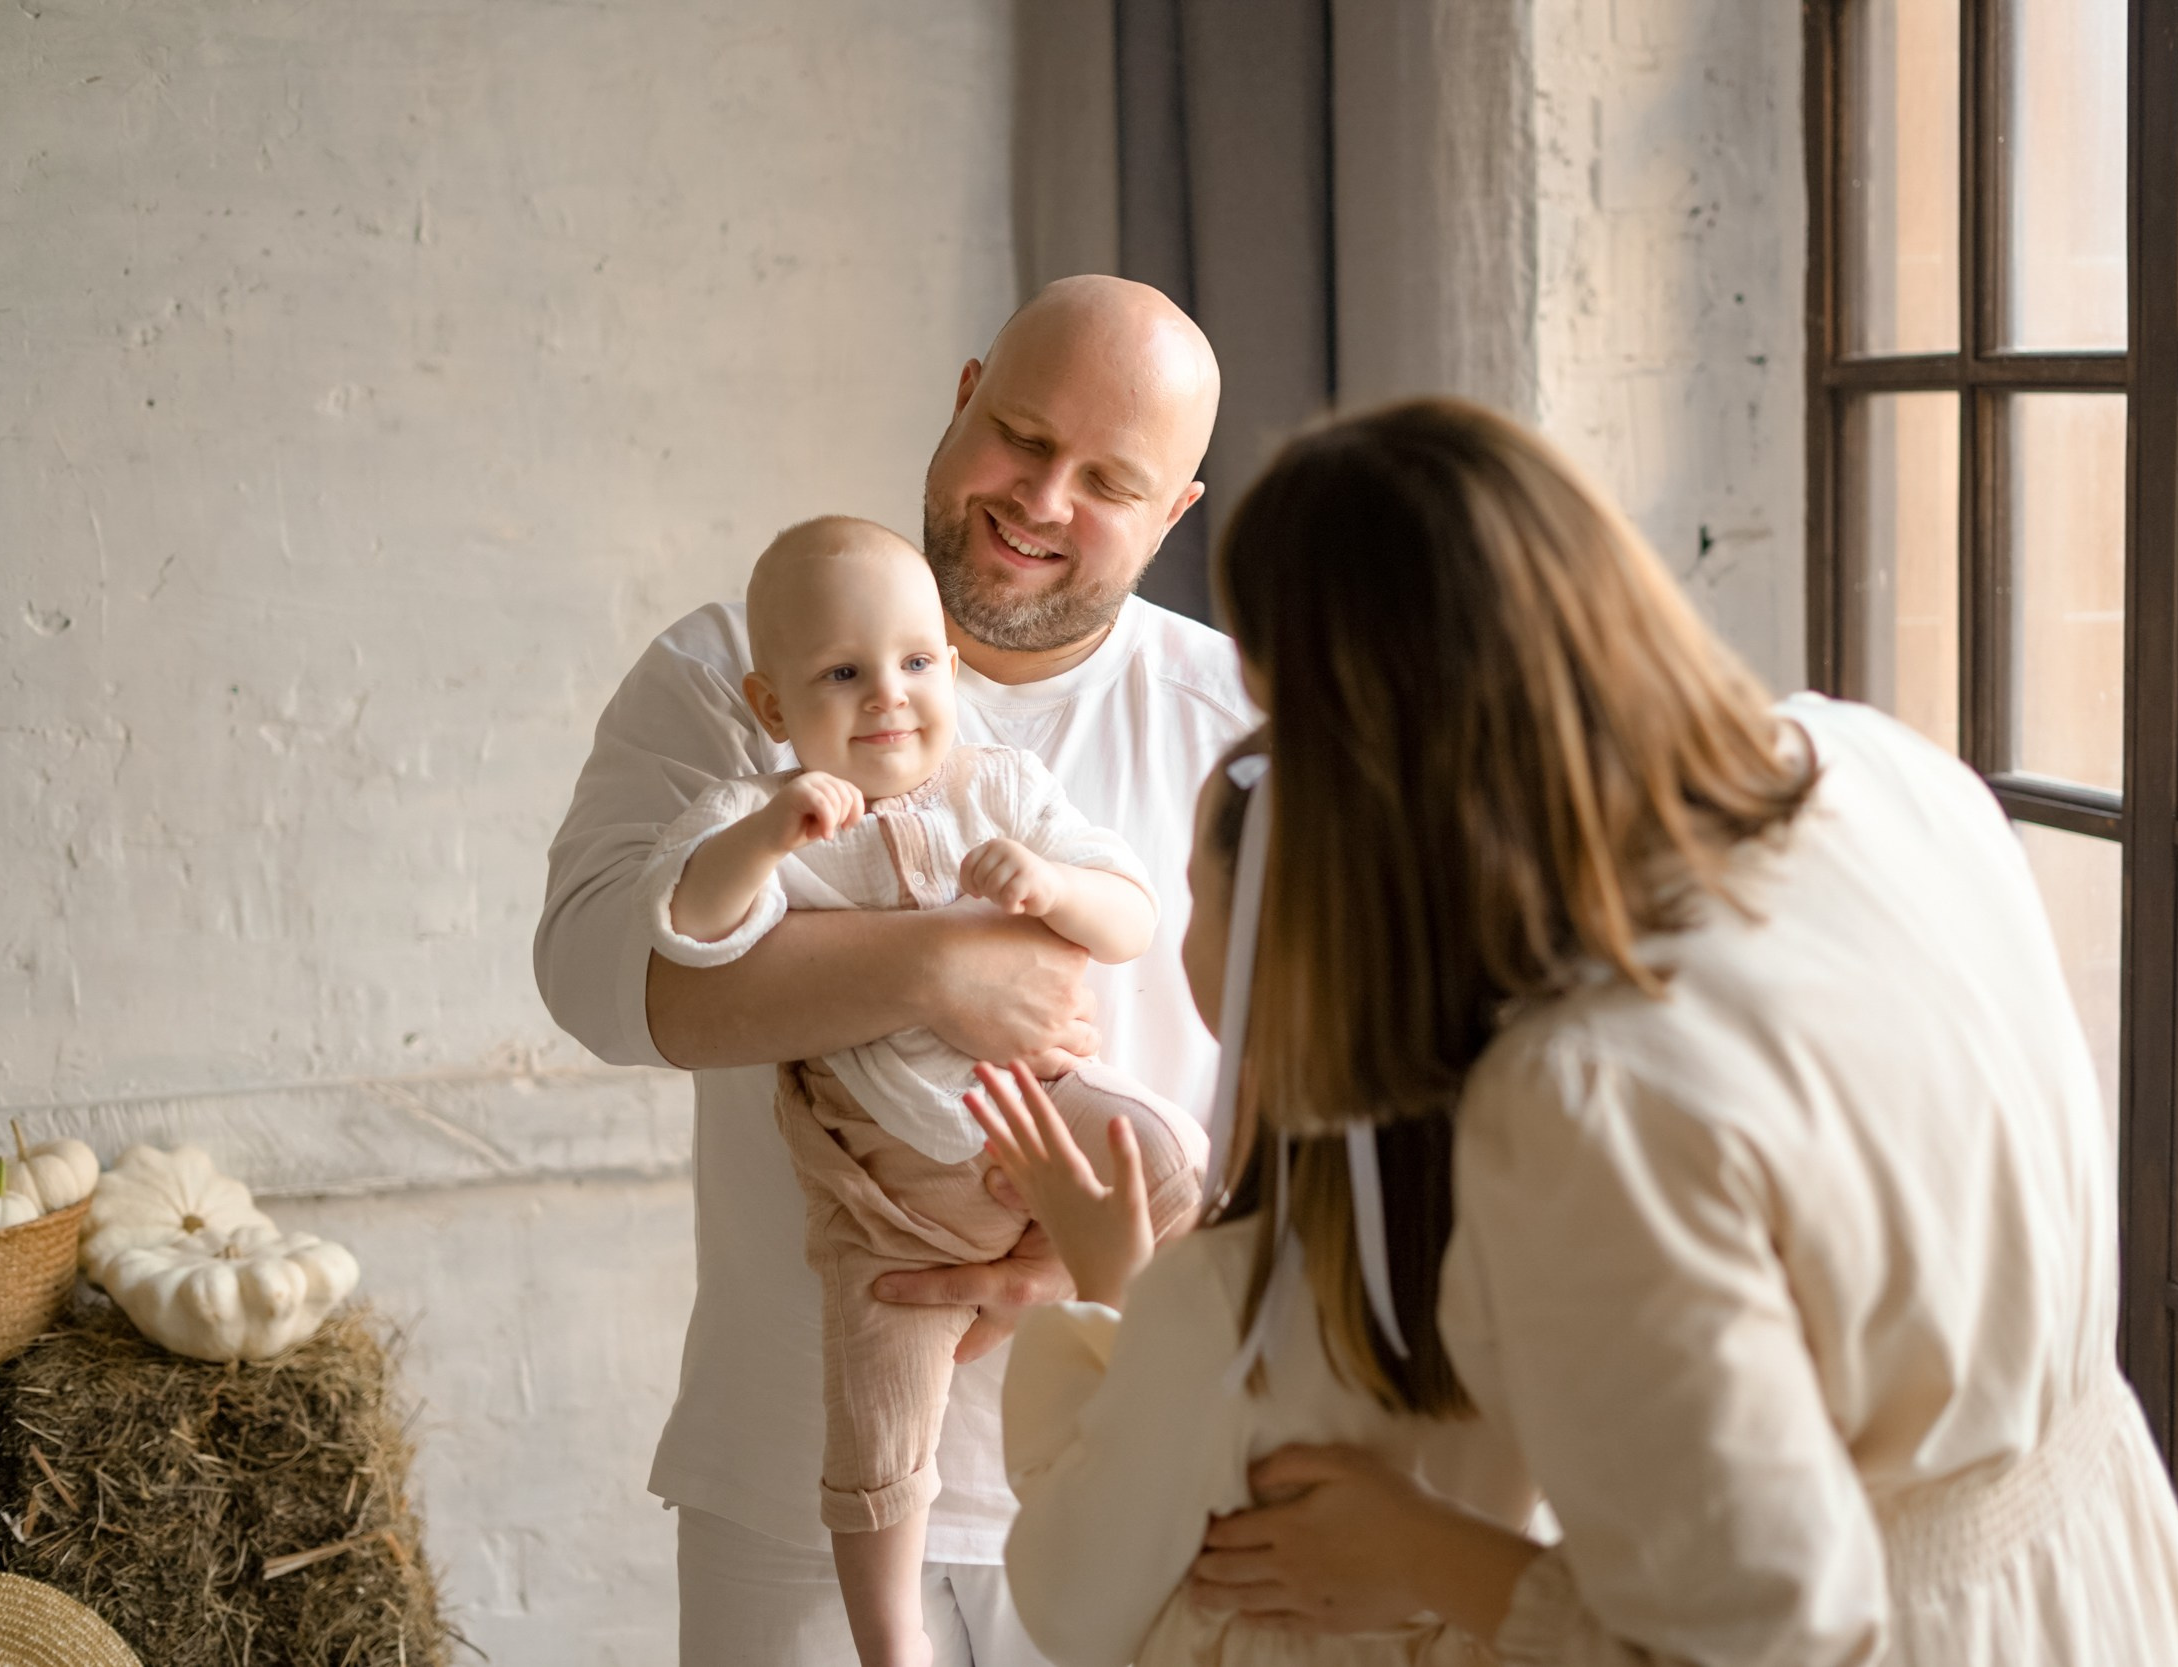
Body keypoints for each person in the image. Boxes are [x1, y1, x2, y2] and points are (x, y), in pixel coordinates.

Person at [1162, 399, 2178, 1664]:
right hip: (2102, 1574)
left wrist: (1418, 1552)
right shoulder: (1877, 767)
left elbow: (1758, 1636)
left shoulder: (1586, 1092)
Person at [535, 275, 1252, 1664]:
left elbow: (1342, 1089)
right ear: (965, 391)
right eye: (1024, 436)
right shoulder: (726, 669)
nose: (1042, 500)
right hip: (792, 1475)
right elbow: (596, 979)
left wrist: (1096, 1262)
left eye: (1109, 480)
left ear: (1175, 514)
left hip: (1141, 1459)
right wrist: (937, 967)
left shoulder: (1242, 718)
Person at [641, 514, 1205, 1667]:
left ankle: (1176, 1408)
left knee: (1169, 1155)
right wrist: (760, 841)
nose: (886, 696)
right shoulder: (757, 820)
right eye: (840, 674)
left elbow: (1133, 912)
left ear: (948, 665)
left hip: (1038, 1116)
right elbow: (691, 935)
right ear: (769, 703)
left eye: (912, 663)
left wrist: (1050, 886)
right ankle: (887, 1634)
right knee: (875, 1422)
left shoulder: (1000, 787)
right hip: (884, 1200)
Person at [970, 735, 1536, 1667]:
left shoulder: (1220, 1300)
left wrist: (1122, 1292)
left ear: (1255, 963)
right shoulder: (1547, 1259)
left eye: (1195, 892)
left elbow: (1076, 1600)